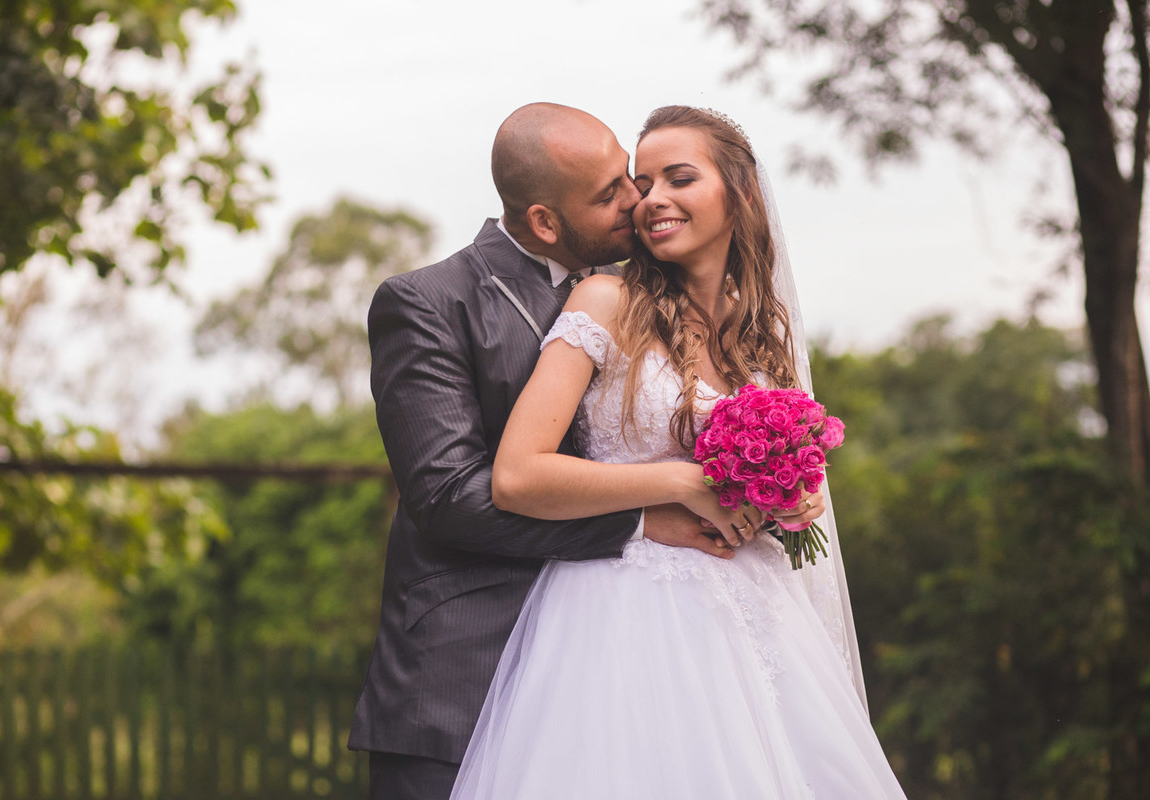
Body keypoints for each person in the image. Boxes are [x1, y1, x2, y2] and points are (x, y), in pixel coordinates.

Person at [448, 106, 907, 799]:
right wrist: (680, 482)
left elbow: (785, 471)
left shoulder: (761, 330)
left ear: (739, 194)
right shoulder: (604, 301)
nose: (651, 198)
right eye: (643, 183)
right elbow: (517, 475)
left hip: (760, 617)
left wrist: (792, 495)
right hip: (628, 614)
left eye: (679, 179)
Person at [347, 103, 735, 800]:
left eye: (629, 177)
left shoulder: (652, 296)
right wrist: (642, 521)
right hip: (466, 679)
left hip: (615, 678)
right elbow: (449, 499)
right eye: (610, 193)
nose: (636, 200)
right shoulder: (428, 303)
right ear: (545, 223)